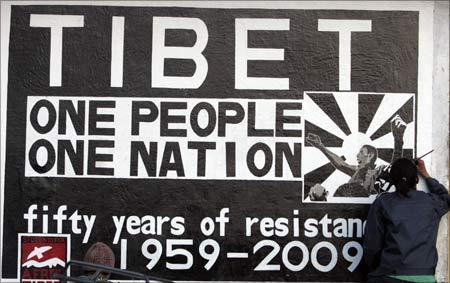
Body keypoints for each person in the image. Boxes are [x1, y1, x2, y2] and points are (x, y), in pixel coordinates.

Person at [363, 158, 450, 283]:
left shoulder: (383, 203)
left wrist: (380, 269)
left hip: (389, 275)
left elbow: (372, 246)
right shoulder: (432, 203)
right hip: (424, 277)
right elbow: (446, 198)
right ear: (416, 179)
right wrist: (425, 173)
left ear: (392, 180)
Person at [306, 114, 407, 199]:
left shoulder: (377, 172)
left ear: (370, 156)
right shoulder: (357, 171)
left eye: (361, 152)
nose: (357, 155)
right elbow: (341, 164)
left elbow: (395, 170)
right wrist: (320, 146)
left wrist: (398, 141)